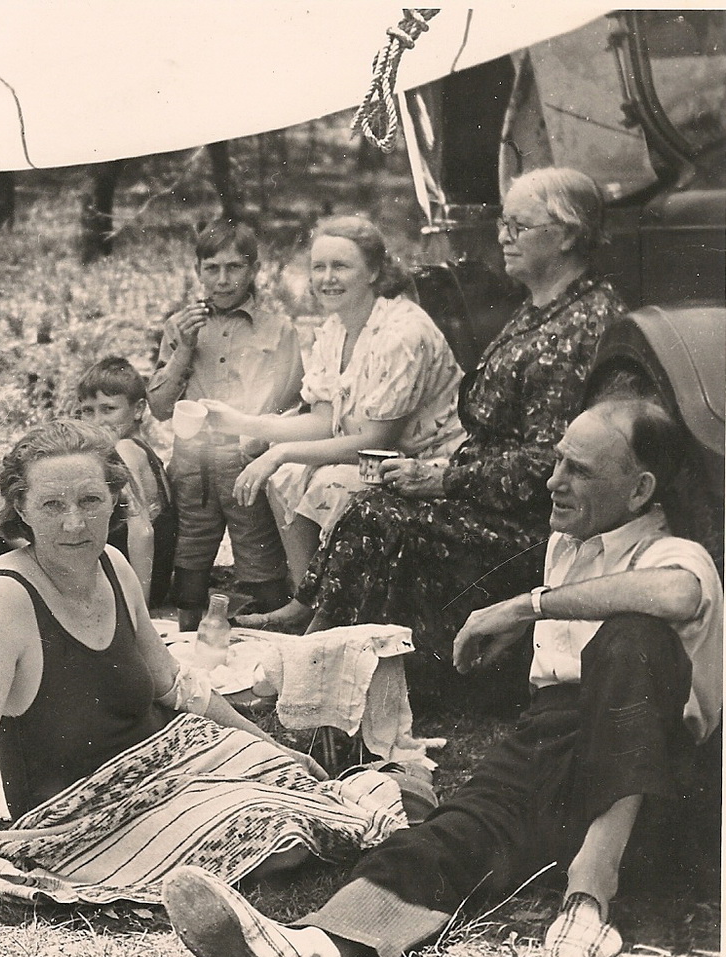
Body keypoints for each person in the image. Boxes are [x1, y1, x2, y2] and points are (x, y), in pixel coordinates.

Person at [162, 394, 721, 957]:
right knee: (449, 835)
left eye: (578, 470)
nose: (552, 480)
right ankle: (305, 954)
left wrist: (524, 606)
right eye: (558, 462)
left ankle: (590, 895)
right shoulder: (572, 543)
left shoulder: (675, 554)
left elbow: (675, 594)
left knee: (634, 638)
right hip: (555, 744)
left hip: (650, 792)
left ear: (641, 490)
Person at [0, 422, 441, 939]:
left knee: (296, 781)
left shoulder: (114, 565)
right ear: (20, 509)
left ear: (114, 502)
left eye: (91, 502)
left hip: (170, 762)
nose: (75, 523)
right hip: (82, 814)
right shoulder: (4, 599)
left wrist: (269, 747)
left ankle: (359, 808)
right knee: (269, 824)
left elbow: (175, 687)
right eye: (52, 505)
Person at [244, 169, 626, 684]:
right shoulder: (538, 309)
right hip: (486, 489)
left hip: (536, 522)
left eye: (519, 225)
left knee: (379, 513)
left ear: (569, 234)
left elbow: (548, 465)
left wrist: (445, 478)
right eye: (503, 223)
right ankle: (322, 639)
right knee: (370, 507)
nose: (502, 236)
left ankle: (338, 663)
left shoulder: (581, 324)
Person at [210, 216, 463, 600]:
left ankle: (342, 604)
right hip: (376, 456)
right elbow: (325, 421)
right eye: (319, 267)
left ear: (375, 271)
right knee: (289, 474)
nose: (328, 278)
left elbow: (376, 440)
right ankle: (305, 599)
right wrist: (245, 423)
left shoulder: (401, 333)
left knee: (328, 482)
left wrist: (279, 452)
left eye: (341, 266)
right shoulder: (336, 327)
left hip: (427, 464)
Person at [146, 219, 303, 628]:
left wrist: (258, 439)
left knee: (259, 552)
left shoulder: (279, 329)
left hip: (246, 454)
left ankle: (272, 631)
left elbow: (292, 404)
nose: (222, 279)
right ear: (198, 271)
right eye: (211, 268)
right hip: (193, 457)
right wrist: (184, 350)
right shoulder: (179, 328)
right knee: (191, 552)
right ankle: (186, 637)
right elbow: (160, 407)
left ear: (253, 271)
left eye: (234, 267)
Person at [76, 356, 176, 608]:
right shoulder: (140, 448)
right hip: (151, 579)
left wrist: (138, 610)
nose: (97, 421)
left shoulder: (125, 452)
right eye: (88, 411)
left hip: (135, 586)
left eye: (108, 409)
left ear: (139, 409)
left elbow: (142, 531)